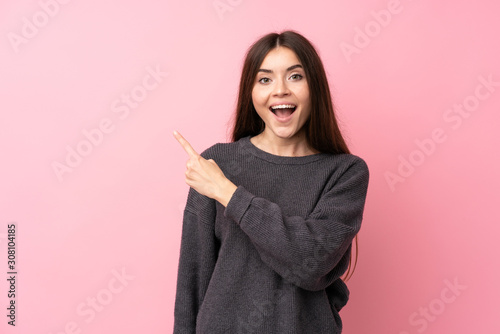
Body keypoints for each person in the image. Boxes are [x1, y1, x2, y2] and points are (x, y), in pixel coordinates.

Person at [172, 30, 369, 333]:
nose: (280, 90)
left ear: (314, 87)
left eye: (294, 77)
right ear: (250, 92)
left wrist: (228, 193)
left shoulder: (345, 173)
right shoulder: (217, 164)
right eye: (264, 79)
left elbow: (311, 262)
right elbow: (192, 281)